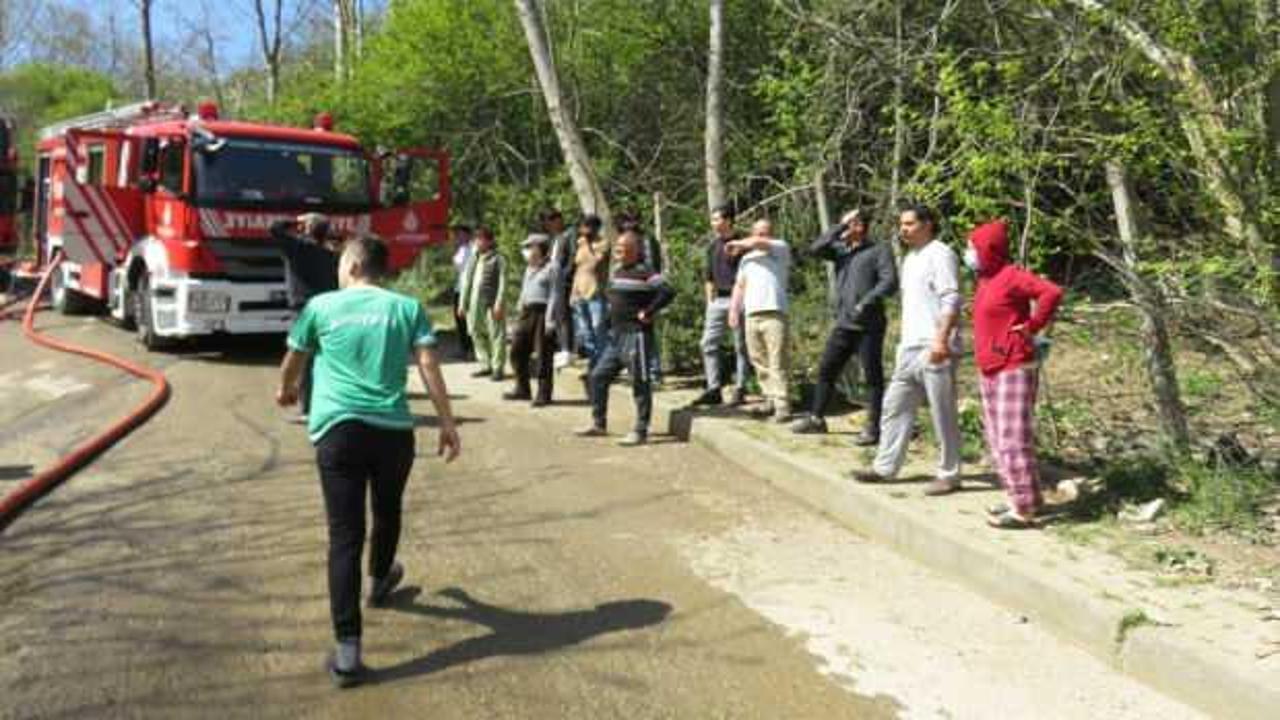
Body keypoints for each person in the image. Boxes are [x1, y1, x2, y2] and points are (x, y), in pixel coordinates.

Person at [276, 234, 462, 688]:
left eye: (342, 262)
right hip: (394, 433)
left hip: (338, 431)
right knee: (388, 509)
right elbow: (428, 365)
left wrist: (286, 390)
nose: (339, 269)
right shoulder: (406, 308)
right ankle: (379, 580)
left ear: (355, 265)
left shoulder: (321, 307)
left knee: (344, 537)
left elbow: (294, 360)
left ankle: (347, 654)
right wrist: (447, 422)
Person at [854, 204, 964, 496]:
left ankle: (949, 474)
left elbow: (951, 299)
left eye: (909, 223)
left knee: (943, 414)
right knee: (894, 406)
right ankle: (885, 467)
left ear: (927, 224)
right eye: (901, 224)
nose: (903, 229)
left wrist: (941, 340)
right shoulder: (910, 258)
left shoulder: (940, 254)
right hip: (909, 348)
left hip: (934, 346)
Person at [965, 220, 1064, 528]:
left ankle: (1023, 510)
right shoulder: (986, 280)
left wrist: (1032, 327)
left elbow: (1051, 292)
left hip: (1014, 365)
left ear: (988, 249)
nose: (968, 253)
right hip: (991, 367)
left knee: (1012, 438)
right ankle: (1023, 496)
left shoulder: (1011, 277)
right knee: (996, 438)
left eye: (972, 247)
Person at [791, 209, 897, 446]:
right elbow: (815, 248)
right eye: (848, 223)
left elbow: (889, 282)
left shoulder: (878, 250)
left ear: (865, 226)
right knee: (827, 369)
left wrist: (866, 302)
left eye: (855, 223)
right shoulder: (841, 251)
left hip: (868, 325)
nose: (850, 227)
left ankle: (873, 427)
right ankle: (817, 418)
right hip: (844, 324)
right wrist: (839, 226)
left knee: (872, 376)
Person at [575, 230, 675, 446]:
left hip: (636, 335)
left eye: (622, 247)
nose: (618, 250)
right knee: (598, 376)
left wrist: (648, 312)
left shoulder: (645, 271)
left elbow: (667, 291)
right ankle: (599, 424)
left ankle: (640, 430)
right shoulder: (618, 271)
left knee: (640, 382)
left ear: (634, 249)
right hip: (616, 337)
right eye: (617, 247)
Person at [269, 213, 343, 423]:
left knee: (304, 361)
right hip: (329, 310)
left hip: (304, 311)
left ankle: (308, 409)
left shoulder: (298, 249)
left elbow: (274, 228)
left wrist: (295, 220)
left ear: (306, 229)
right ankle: (327, 403)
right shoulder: (330, 255)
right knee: (322, 359)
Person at [729, 218, 792, 422]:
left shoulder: (779, 249)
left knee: (777, 360)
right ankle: (770, 399)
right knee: (758, 360)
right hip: (751, 314)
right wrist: (733, 309)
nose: (760, 236)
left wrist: (738, 243)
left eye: (765, 232)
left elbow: (759, 243)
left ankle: (782, 405)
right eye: (757, 232)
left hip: (774, 312)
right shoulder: (746, 260)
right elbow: (740, 286)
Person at [691, 204, 752, 408]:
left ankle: (740, 388)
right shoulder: (712, 246)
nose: (713, 223)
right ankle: (713, 388)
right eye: (713, 219)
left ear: (728, 220)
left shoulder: (743, 244)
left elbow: (748, 275)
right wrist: (710, 301)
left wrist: (741, 300)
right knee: (707, 343)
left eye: (717, 219)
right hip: (718, 301)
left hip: (740, 299)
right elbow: (708, 277)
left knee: (741, 346)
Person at [506, 234, 560, 406]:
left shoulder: (552, 267)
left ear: (540, 248)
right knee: (516, 351)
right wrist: (518, 310)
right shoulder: (529, 267)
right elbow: (524, 289)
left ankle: (544, 394)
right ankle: (522, 388)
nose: (527, 250)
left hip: (543, 313)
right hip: (526, 312)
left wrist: (551, 320)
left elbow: (555, 295)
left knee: (543, 355)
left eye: (530, 246)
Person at [457, 226, 507, 381]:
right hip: (473, 302)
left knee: (496, 334)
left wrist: (499, 303)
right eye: (476, 238)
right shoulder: (474, 258)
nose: (478, 242)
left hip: (491, 301)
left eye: (481, 239)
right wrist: (462, 304)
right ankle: (485, 364)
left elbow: (503, 283)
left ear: (490, 241)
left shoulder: (499, 258)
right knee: (475, 332)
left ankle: (497, 367)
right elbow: (466, 282)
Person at [569, 215, 610, 371]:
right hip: (580, 292)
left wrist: (587, 245)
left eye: (586, 226)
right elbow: (578, 268)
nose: (583, 230)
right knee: (585, 331)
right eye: (582, 226)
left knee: (598, 327)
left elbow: (595, 262)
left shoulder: (603, 244)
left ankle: (604, 364)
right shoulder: (580, 243)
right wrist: (572, 293)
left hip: (595, 292)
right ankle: (594, 363)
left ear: (595, 228)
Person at [542, 209, 577, 366]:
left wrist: (565, 276)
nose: (549, 225)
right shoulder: (554, 238)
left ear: (559, 220)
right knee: (556, 314)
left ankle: (568, 349)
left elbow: (572, 258)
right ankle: (562, 347)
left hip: (563, 280)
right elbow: (551, 257)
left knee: (564, 315)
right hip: (552, 279)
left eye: (551, 221)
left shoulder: (569, 234)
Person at [450, 224, 475, 361]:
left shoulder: (472, 249)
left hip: (469, 289)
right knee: (460, 320)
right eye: (457, 235)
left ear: (467, 235)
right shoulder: (460, 249)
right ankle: (464, 348)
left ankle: (471, 349)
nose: (457, 237)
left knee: (468, 320)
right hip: (459, 287)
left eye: (460, 234)